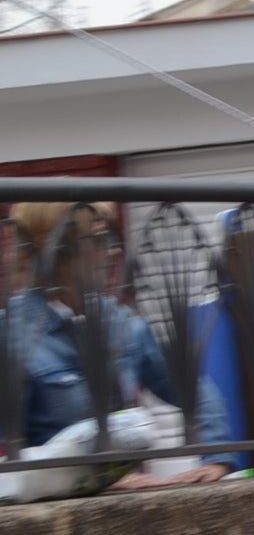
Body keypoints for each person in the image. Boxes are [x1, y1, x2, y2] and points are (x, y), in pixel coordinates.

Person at [6, 202, 238, 489]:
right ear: (58, 255)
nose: (113, 251)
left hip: (128, 506)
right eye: (100, 240)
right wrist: (99, 478)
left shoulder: (122, 323)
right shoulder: (10, 335)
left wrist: (216, 457)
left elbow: (194, 389)